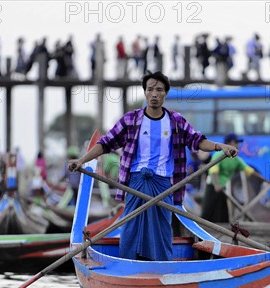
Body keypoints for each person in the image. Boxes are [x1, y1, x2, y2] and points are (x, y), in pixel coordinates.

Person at [68, 71, 237, 261]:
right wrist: (81, 161)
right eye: (150, 90)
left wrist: (219, 147)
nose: (154, 94)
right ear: (145, 93)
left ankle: (161, 266)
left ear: (165, 93)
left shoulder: (176, 121)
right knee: (131, 226)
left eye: (159, 90)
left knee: (162, 229)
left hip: (164, 185)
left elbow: (197, 141)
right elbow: (106, 143)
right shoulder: (131, 120)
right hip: (136, 183)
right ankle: (128, 265)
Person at [200, 133, 256, 223]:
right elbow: (213, 171)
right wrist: (217, 185)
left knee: (222, 216)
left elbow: (249, 171)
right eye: (236, 142)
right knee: (207, 213)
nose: (238, 145)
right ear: (229, 143)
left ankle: (221, 231)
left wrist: (266, 180)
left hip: (223, 188)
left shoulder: (236, 159)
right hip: (213, 187)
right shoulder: (218, 156)